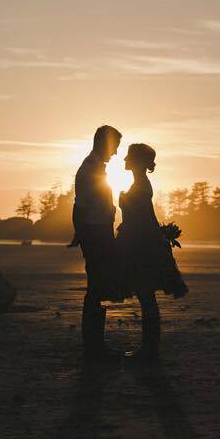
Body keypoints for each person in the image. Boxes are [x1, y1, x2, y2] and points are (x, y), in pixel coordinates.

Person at [115, 143, 188, 362]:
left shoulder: (141, 186)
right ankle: (149, 347)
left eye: (129, 156)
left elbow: (143, 220)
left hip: (141, 248)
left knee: (146, 296)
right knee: (145, 296)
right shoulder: (140, 184)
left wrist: (156, 235)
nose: (124, 159)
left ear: (137, 161)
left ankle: (149, 349)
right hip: (142, 244)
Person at [69, 125, 124, 360]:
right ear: (104, 144)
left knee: (98, 286)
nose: (115, 154)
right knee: (95, 287)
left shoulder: (96, 168)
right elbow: (79, 206)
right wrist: (81, 234)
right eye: (114, 148)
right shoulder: (90, 169)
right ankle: (94, 345)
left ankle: (95, 344)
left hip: (99, 233)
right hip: (96, 234)